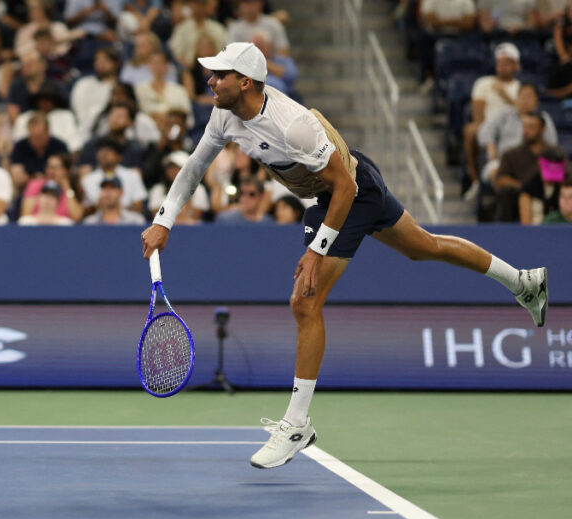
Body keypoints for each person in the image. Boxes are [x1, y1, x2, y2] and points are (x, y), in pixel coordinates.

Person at [140, 42, 549, 470]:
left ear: (245, 82)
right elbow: (194, 167)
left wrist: (317, 252)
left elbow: (346, 188)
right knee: (423, 247)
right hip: (345, 184)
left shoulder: (292, 126)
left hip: (348, 192)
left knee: (305, 302)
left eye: (220, 74)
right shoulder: (224, 114)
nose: (210, 80)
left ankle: (296, 424)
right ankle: (523, 282)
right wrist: (164, 220)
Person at [463, 43, 521, 202]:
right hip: (488, 128)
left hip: (513, 130)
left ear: (516, 65)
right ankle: (475, 180)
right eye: (500, 63)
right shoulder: (483, 83)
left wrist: (504, 95)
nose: (502, 66)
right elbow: (477, 115)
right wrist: (489, 137)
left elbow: (523, 113)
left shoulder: (521, 88)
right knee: (471, 130)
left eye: (507, 63)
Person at [491, 112, 566, 224]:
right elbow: (500, 180)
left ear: (542, 130)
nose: (526, 131)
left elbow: (567, 176)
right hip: (520, 195)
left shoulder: (555, 152)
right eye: (524, 127)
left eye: (531, 127)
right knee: (507, 193)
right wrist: (526, 187)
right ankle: (505, 229)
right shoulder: (511, 154)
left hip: (554, 195)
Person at [148, 150, 207, 224]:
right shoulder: (157, 189)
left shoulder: (199, 189)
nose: (171, 171)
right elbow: (157, 217)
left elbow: (196, 217)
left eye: (176, 167)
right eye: (169, 167)